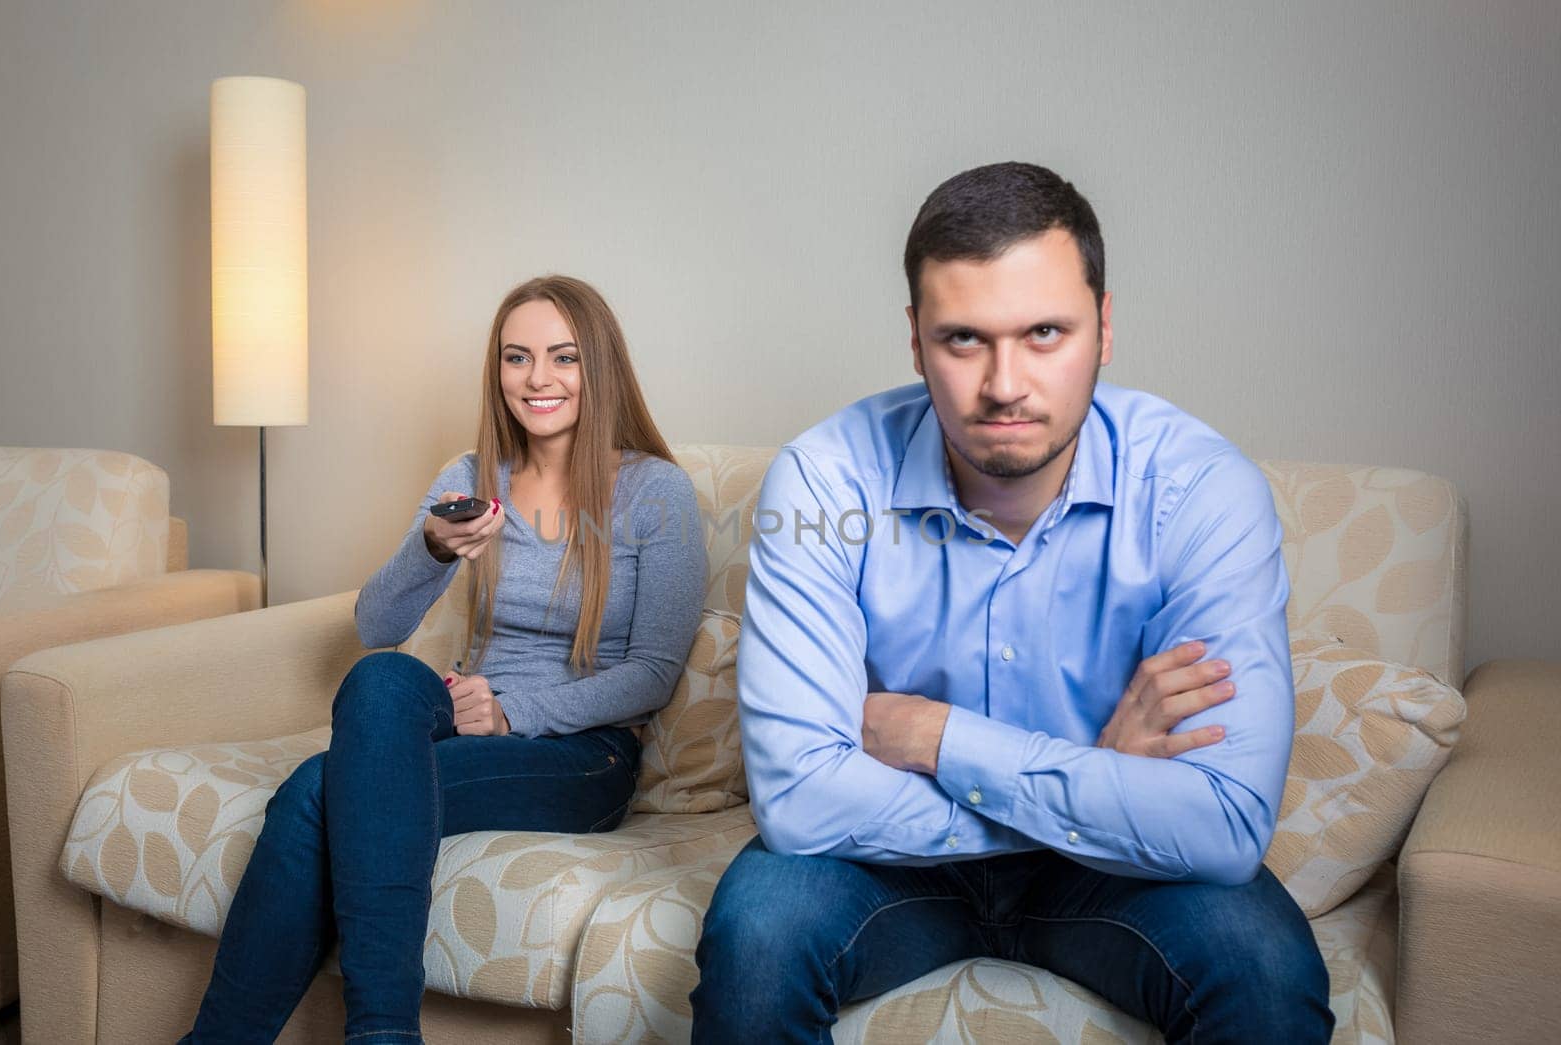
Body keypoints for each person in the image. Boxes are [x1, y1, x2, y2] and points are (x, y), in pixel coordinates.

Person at [691, 163, 1331, 1043]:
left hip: (1111, 878)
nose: (1004, 383)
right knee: (757, 933)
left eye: (1043, 332)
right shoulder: (823, 479)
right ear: (915, 341)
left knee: (1263, 966)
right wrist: (1095, 776)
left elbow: (1223, 827)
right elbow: (802, 802)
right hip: (893, 863)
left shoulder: (1202, 490)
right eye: (964, 339)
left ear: (1103, 329)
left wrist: (936, 736)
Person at [183, 275, 707, 1044]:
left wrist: (510, 710)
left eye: (563, 358)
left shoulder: (655, 493)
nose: (538, 378)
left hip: (583, 755)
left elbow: (653, 673)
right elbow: (374, 624)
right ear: (497, 371)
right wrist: (432, 548)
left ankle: (361, 1032)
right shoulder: (470, 479)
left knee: (312, 792)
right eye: (517, 357)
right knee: (381, 676)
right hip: (463, 723)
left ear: (599, 368)